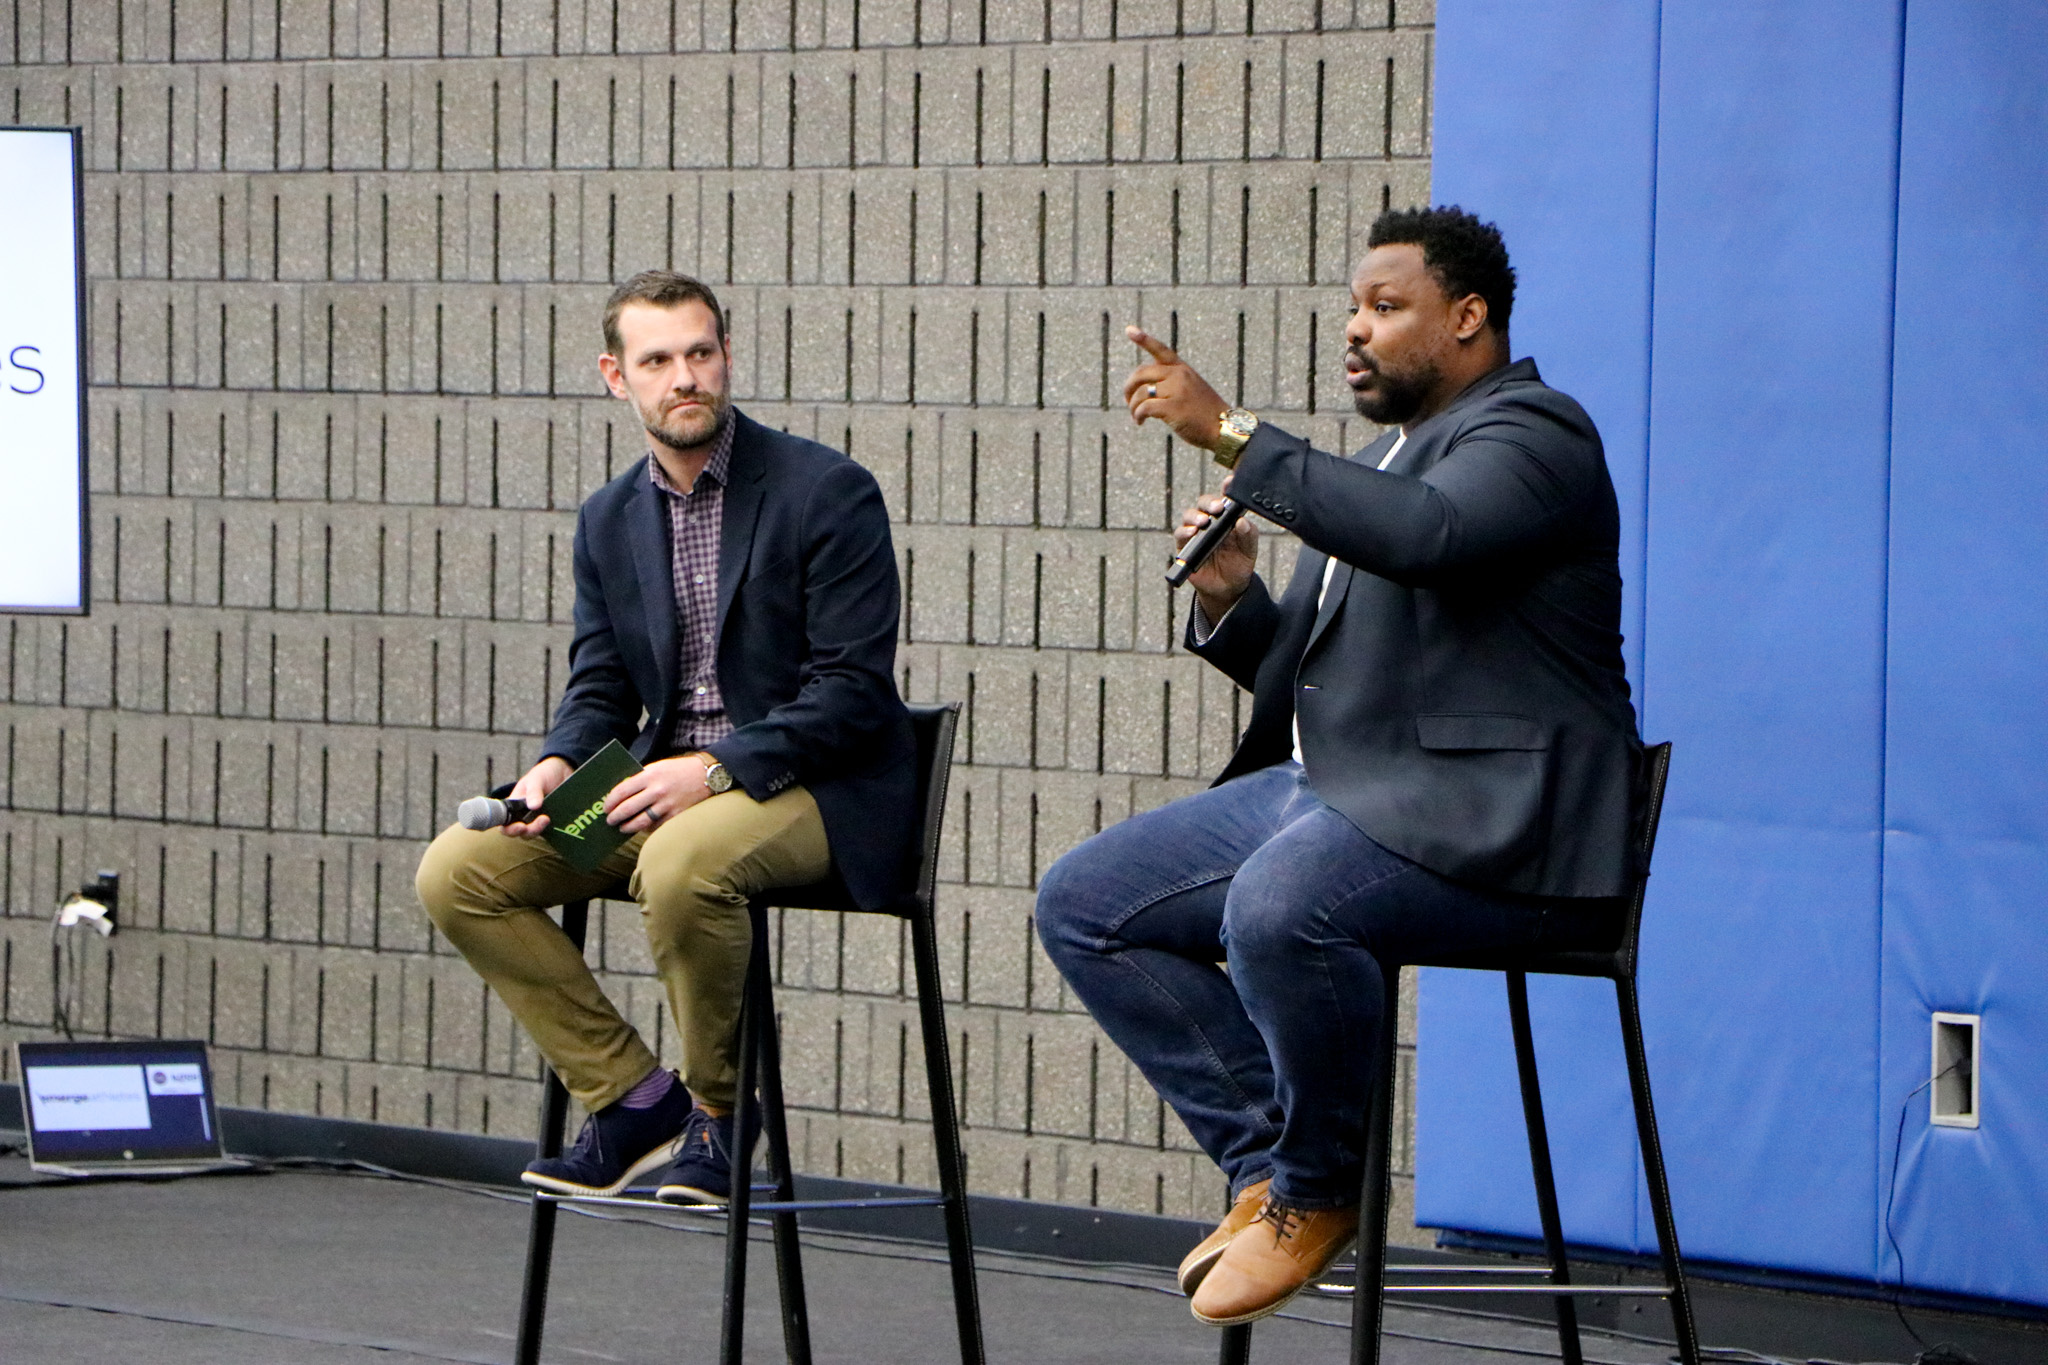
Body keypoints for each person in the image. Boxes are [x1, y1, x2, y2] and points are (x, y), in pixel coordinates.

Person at [1035, 206, 1643, 1326]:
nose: (1354, 328)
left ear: (1467, 318)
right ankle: (1269, 1164)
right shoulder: (1381, 466)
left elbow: (1430, 538)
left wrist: (1232, 432)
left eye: (1385, 306)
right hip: (1352, 797)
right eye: (1352, 307)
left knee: (1283, 903)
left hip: (1504, 828)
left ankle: (1319, 1190)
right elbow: (1319, 681)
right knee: (1085, 902)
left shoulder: (1537, 435)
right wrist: (1233, 602)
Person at [416, 271, 913, 1204]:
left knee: (682, 861)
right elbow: (601, 683)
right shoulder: (609, 517)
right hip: (660, 785)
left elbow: (852, 692)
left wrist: (714, 768)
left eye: (700, 352)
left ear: (726, 356)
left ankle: (721, 1113)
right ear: (617, 376)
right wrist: (559, 760)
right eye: (657, 360)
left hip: (817, 786)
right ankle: (636, 1097)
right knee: (460, 871)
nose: (685, 376)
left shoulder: (826, 490)